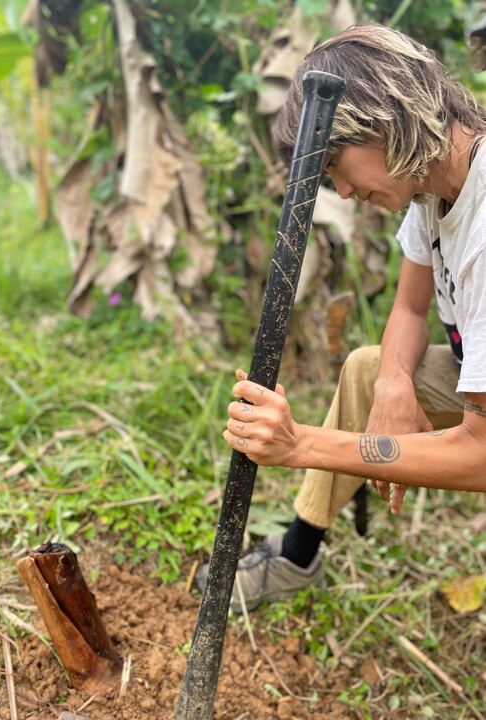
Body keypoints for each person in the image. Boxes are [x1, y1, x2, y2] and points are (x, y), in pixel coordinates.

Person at [196, 22, 486, 613]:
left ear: (383, 118)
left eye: (337, 168)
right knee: (366, 366)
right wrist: (394, 382)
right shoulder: (437, 189)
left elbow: (482, 453)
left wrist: (302, 443)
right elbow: (409, 305)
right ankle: (300, 553)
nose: (345, 193)